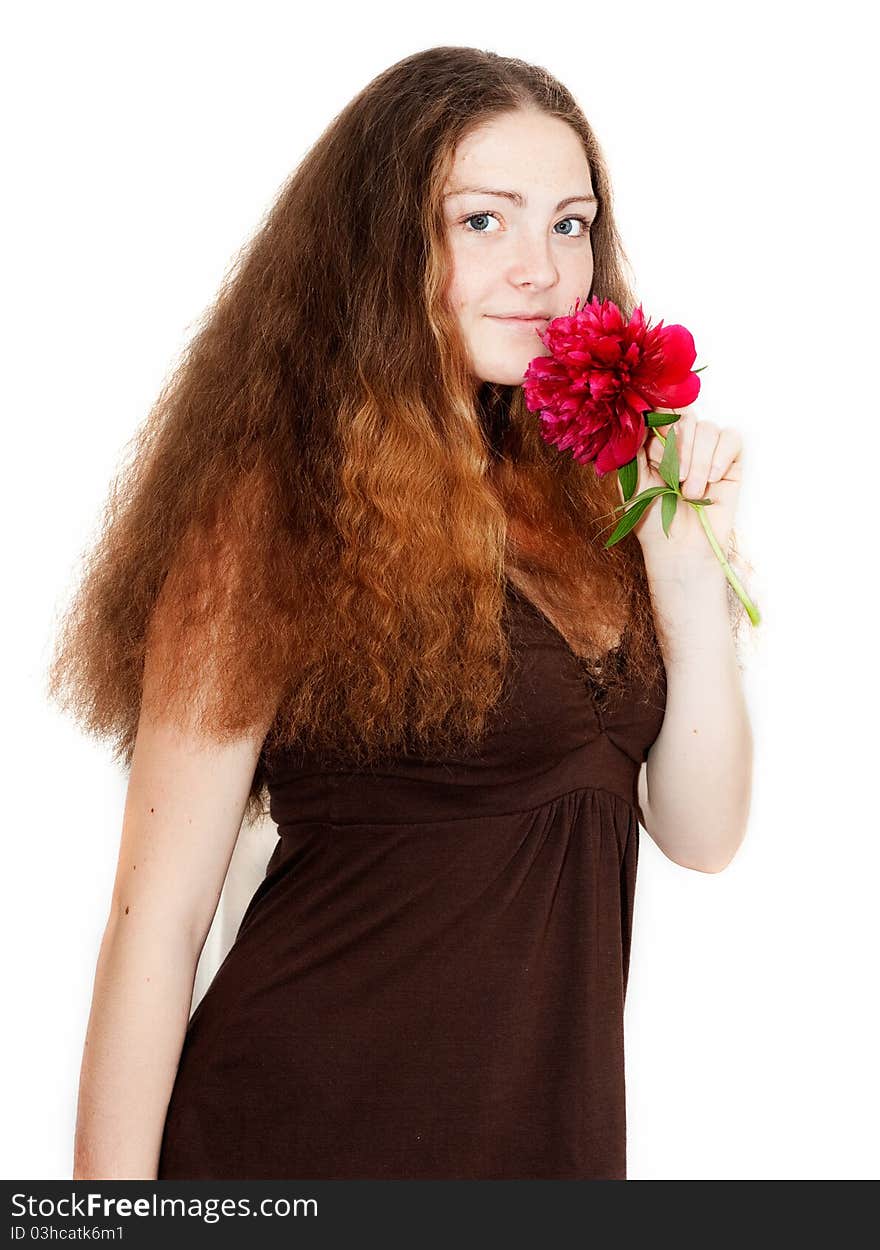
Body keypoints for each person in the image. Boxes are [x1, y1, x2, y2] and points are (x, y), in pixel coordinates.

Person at [47, 45, 754, 1181]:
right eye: (483, 222)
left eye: (570, 225)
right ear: (383, 247)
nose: (542, 269)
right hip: (294, 1143)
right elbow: (155, 923)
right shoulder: (272, 515)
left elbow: (701, 833)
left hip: (546, 1154)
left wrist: (681, 561)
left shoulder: (594, 503)